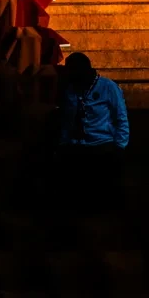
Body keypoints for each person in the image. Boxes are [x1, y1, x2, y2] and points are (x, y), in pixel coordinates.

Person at [54, 52, 129, 206]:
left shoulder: (108, 87)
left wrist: (120, 146)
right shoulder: (70, 89)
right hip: (76, 145)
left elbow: (121, 117)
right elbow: (67, 120)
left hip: (101, 144)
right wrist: (63, 143)